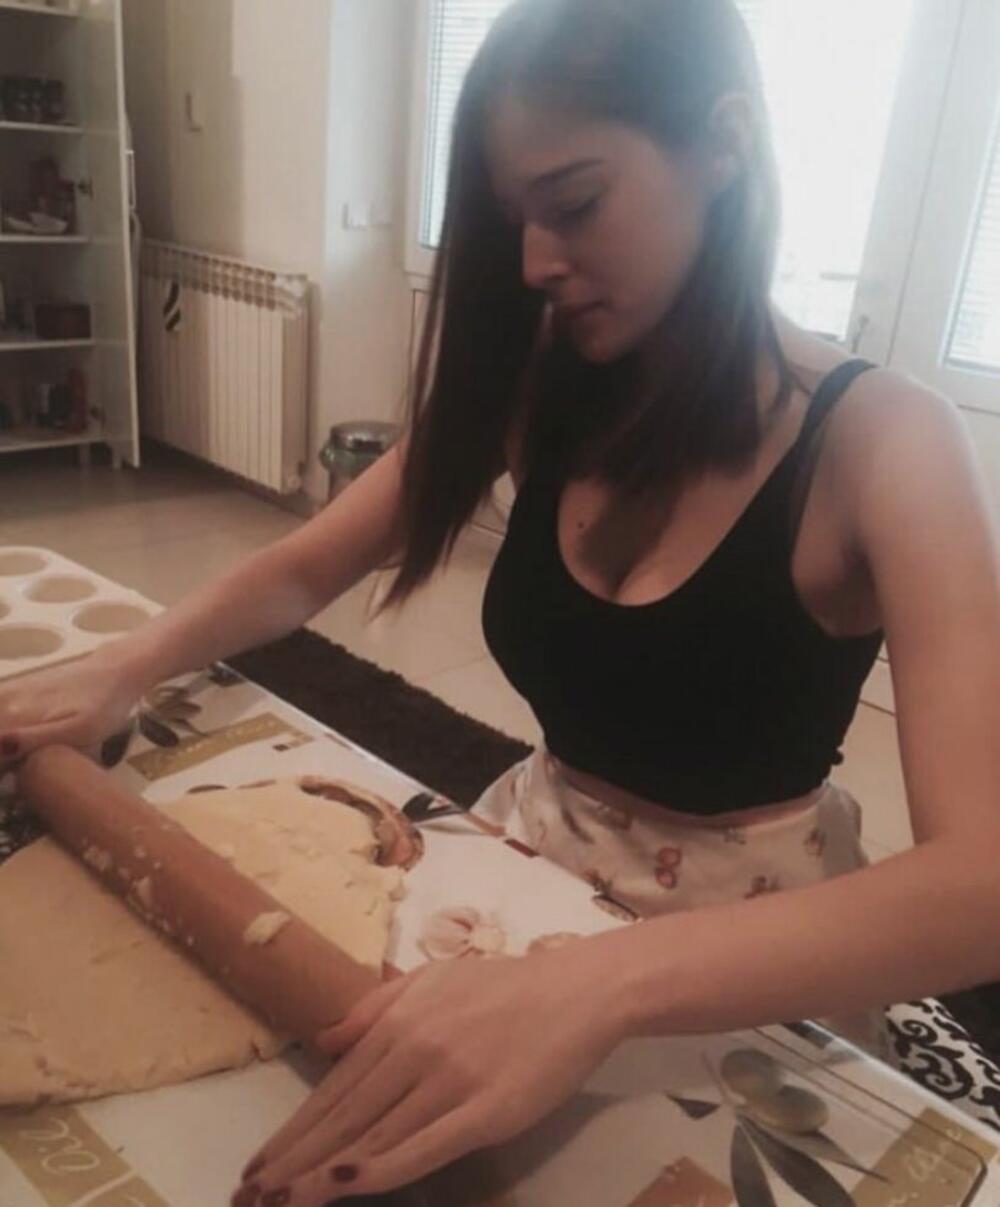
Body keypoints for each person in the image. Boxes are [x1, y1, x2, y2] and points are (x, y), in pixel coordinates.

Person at [2, 0, 999, 1202]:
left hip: (756, 938)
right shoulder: (552, 384)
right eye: (513, 218)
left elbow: (980, 883)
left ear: (724, 144)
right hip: (528, 854)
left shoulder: (888, 442)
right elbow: (306, 565)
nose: (531, 263)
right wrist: (125, 662)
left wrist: (598, 985)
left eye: (574, 202)